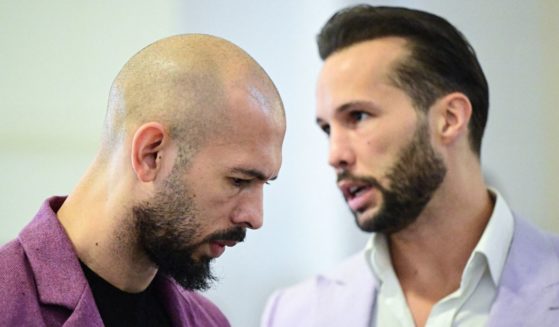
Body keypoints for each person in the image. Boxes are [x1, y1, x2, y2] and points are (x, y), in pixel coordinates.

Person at [261, 5, 559, 327]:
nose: (335, 155)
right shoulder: (294, 313)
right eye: (328, 129)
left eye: (358, 117)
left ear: (449, 119)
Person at [0, 34, 286, 326]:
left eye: (265, 183)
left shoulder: (208, 321)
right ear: (151, 154)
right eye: (238, 180)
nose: (255, 217)